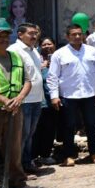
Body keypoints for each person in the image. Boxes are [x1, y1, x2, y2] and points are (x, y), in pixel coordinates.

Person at [0, 18, 37, 188]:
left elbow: (27, 81)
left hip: (15, 109)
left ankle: (17, 183)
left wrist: (19, 98)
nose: (3, 39)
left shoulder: (15, 57)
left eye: (5, 35)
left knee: (14, 147)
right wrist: (3, 100)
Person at [47, 24, 95, 166]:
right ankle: (68, 155)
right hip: (68, 96)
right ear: (67, 36)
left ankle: (94, 153)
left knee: (91, 125)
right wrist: (54, 96)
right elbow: (52, 76)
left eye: (80, 34)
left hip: (89, 93)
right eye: (74, 34)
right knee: (68, 126)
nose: (78, 37)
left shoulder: (92, 51)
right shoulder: (59, 54)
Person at [8, 23, 45, 173]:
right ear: (20, 34)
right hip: (23, 100)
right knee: (20, 136)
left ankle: (26, 163)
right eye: (31, 33)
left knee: (29, 134)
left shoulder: (34, 50)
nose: (34, 36)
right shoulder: (13, 51)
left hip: (37, 99)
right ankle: (17, 169)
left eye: (36, 33)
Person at [32, 36, 58, 165]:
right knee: (36, 130)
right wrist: (42, 67)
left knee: (50, 128)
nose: (47, 46)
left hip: (52, 100)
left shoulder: (59, 57)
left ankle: (45, 154)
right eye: (44, 44)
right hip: (38, 100)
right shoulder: (36, 58)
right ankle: (32, 156)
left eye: (50, 44)